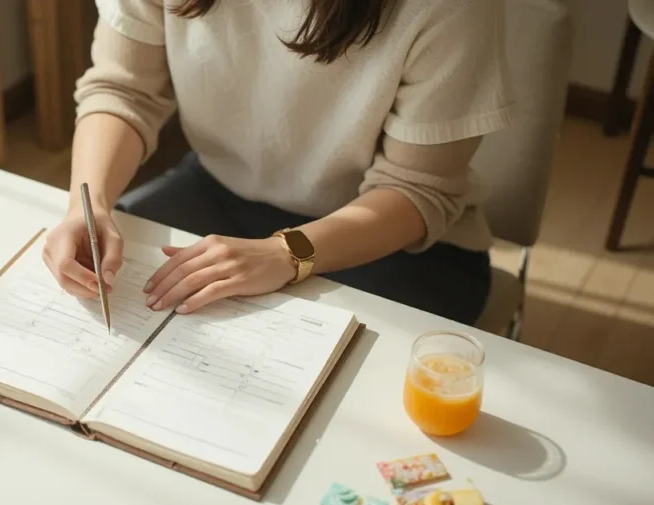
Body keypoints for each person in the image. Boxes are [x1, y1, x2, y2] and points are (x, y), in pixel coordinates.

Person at [42, 0, 515, 325]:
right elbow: (123, 89)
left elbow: (418, 189)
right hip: (221, 190)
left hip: (399, 243)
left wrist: (286, 254)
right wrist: (91, 204)